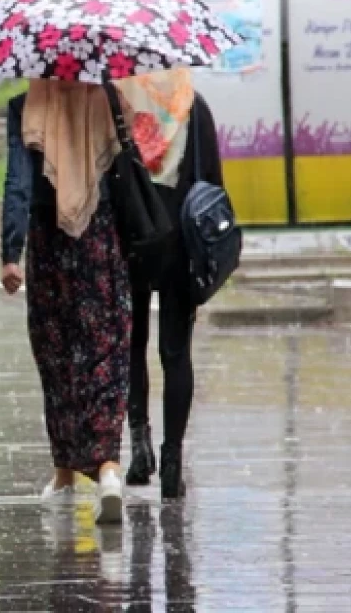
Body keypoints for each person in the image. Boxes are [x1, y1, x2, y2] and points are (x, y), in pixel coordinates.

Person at [0, 79, 131, 525]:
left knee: (57, 355)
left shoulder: (26, 106)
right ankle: (109, 469)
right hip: (102, 238)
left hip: (48, 242)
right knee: (106, 350)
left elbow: (18, 181)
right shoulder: (108, 99)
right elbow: (129, 170)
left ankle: (65, 476)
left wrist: (10, 252)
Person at [113, 70, 223, 499]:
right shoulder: (194, 106)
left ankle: (140, 448)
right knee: (176, 353)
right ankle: (172, 461)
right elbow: (212, 184)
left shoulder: (119, 104)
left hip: (131, 239)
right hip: (180, 242)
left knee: (132, 346)